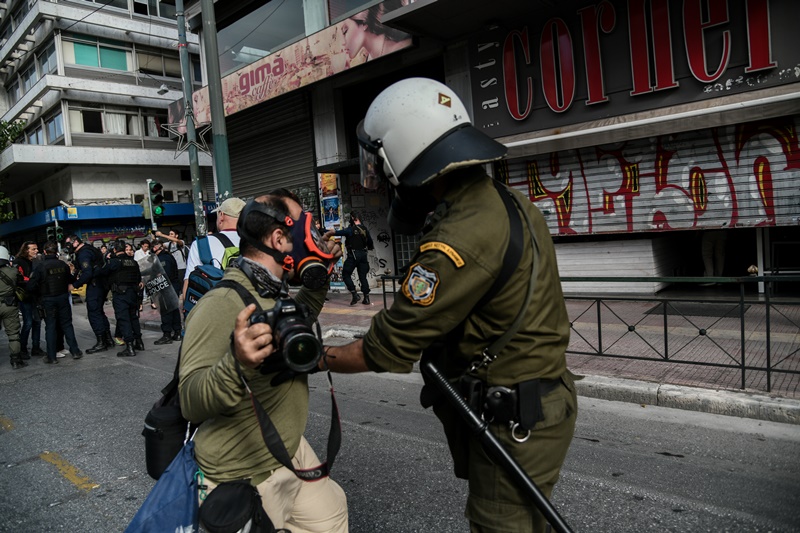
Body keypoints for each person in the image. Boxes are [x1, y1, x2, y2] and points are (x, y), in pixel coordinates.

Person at [318, 78, 577, 532]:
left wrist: (314, 358)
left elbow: (388, 348)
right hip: (542, 401)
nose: (378, 170)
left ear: (403, 152)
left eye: (380, 157)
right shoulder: (509, 202)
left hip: (513, 419)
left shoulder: (455, 240)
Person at [179, 195, 348, 531]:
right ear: (278, 239)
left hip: (290, 450)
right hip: (242, 471)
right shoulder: (221, 303)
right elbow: (190, 402)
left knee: (331, 514)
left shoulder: (269, 289)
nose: (315, 235)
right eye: (307, 229)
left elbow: (293, 323)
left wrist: (318, 276)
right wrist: (235, 363)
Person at [26, 241, 83, 364]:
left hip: (48, 300)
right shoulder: (62, 265)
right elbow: (71, 279)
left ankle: (52, 356)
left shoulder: (41, 267)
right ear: (56, 252)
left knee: (50, 327)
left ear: (45, 252)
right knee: (67, 325)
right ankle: (75, 351)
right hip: (62, 298)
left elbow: (31, 286)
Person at [181, 197, 245, 305]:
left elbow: (188, 287)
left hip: (216, 310)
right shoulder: (257, 241)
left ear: (221, 215)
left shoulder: (202, 244)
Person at [66, 235, 113, 354]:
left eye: (68, 244)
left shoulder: (84, 253)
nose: (67, 247)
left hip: (95, 285)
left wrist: (74, 285)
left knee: (94, 313)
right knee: (99, 311)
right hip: (101, 284)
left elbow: (87, 273)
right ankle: (108, 339)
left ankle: (102, 342)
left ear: (75, 242)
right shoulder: (88, 249)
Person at [99, 240, 145, 357]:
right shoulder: (133, 262)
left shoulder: (114, 262)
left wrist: (107, 260)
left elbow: (101, 272)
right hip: (133, 293)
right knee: (133, 317)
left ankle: (129, 346)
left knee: (123, 319)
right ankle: (139, 342)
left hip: (120, 294)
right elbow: (138, 277)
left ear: (114, 250)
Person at [327, 212, 373, 305]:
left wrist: (327, 231)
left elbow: (338, 232)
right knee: (363, 277)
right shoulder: (365, 229)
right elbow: (370, 243)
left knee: (346, 274)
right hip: (363, 255)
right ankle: (366, 298)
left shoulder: (350, 230)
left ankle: (354, 294)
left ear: (353, 218)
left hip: (353, 255)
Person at [340, 0, 411, 61]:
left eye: (345, 31)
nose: (342, 42)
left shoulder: (403, 47)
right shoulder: (367, 62)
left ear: (364, 23)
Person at [14, 241, 43, 357]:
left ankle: (36, 348)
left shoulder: (35, 261)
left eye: (36, 249)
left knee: (37, 321)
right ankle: (23, 348)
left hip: (34, 296)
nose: (36, 251)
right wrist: (31, 281)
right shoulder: (18, 262)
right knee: (28, 322)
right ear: (26, 250)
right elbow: (19, 279)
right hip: (24, 296)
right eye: (33, 249)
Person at [151, 239, 182, 345]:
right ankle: (177, 332)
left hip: (167, 287)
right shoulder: (167, 256)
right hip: (172, 286)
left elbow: (165, 274)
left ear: (156, 247)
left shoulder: (163, 258)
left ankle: (167, 334)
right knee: (174, 310)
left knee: (167, 311)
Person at [0, 245, 25, 369]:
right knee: (13, 334)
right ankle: (16, 360)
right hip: (9, 305)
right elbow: (21, 283)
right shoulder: (13, 271)